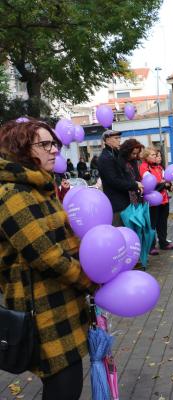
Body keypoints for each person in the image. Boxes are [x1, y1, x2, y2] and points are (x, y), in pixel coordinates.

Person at [0, 119, 96, 400]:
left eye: (54, 143)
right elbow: (44, 255)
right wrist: (88, 280)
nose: (54, 150)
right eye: (44, 144)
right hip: (42, 309)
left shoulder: (39, 186)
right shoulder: (11, 194)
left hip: (62, 301)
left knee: (67, 383)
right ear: (20, 149)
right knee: (65, 387)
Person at [97, 130, 143, 225]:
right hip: (116, 203)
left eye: (119, 138)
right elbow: (114, 181)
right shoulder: (105, 158)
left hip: (125, 201)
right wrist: (134, 184)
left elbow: (125, 174)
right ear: (107, 140)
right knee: (121, 231)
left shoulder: (116, 154)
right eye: (116, 138)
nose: (119, 141)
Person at [140, 147, 173, 253]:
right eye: (153, 155)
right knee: (152, 224)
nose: (155, 157)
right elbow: (151, 186)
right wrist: (163, 183)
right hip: (152, 201)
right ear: (146, 157)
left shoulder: (159, 167)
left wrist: (169, 186)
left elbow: (165, 181)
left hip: (164, 200)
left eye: (156, 155)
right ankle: (151, 246)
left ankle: (163, 242)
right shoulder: (144, 167)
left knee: (162, 223)